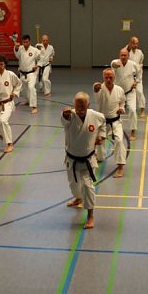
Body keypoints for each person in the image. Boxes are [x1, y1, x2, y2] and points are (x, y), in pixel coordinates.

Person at [62, 92, 105, 229]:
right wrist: (65, 113)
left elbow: (103, 122)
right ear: (74, 104)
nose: (80, 107)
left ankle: (90, 215)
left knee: (88, 186)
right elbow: (64, 118)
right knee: (74, 186)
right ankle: (78, 198)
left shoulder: (96, 116)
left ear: (88, 104)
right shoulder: (70, 116)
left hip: (88, 159)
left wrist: (101, 136)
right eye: (77, 104)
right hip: (72, 159)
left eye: (83, 104)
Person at [93, 68, 127, 178]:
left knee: (119, 140)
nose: (108, 79)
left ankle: (120, 167)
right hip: (102, 122)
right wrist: (96, 87)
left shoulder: (119, 90)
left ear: (114, 77)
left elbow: (122, 102)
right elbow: (96, 89)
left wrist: (122, 109)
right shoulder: (99, 88)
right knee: (99, 141)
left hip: (116, 121)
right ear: (103, 77)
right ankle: (100, 157)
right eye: (106, 77)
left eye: (110, 77)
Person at [111, 47, 139, 141]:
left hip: (130, 92)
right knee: (114, 111)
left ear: (128, 56)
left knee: (132, 110)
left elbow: (138, 74)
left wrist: (136, 81)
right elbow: (113, 65)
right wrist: (115, 65)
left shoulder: (133, 64)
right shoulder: (115, 62)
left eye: (125, 55)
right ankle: (112, 129)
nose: (123, 57)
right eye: (121, 55)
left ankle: (133, 131)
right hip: (117, 93)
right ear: (119, 56)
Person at [14, 35, 39, 114]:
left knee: (31, 88)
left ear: (29, 42)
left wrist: (37, 65)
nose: (25, 44)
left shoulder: (34, 50)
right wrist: (16, 48)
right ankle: (28, 101)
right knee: (24, 89)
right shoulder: (20, 48)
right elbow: (17, 56)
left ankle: (34, 106)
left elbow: (41, 58)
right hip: (22, 73)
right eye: (24, 42)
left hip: (31, 73)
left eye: (27, 42)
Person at [128, 36, 146, 116]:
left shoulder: (140, 53)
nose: (136, 45)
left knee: (139, 92)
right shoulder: (127, 51)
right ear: (131, 43)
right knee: (122, 91)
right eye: (134, 43)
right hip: (128, 76)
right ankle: (121, 106)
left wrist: (138, 79)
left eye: (137, 43)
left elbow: (141, 63)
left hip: (138, 76)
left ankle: (142, 110)